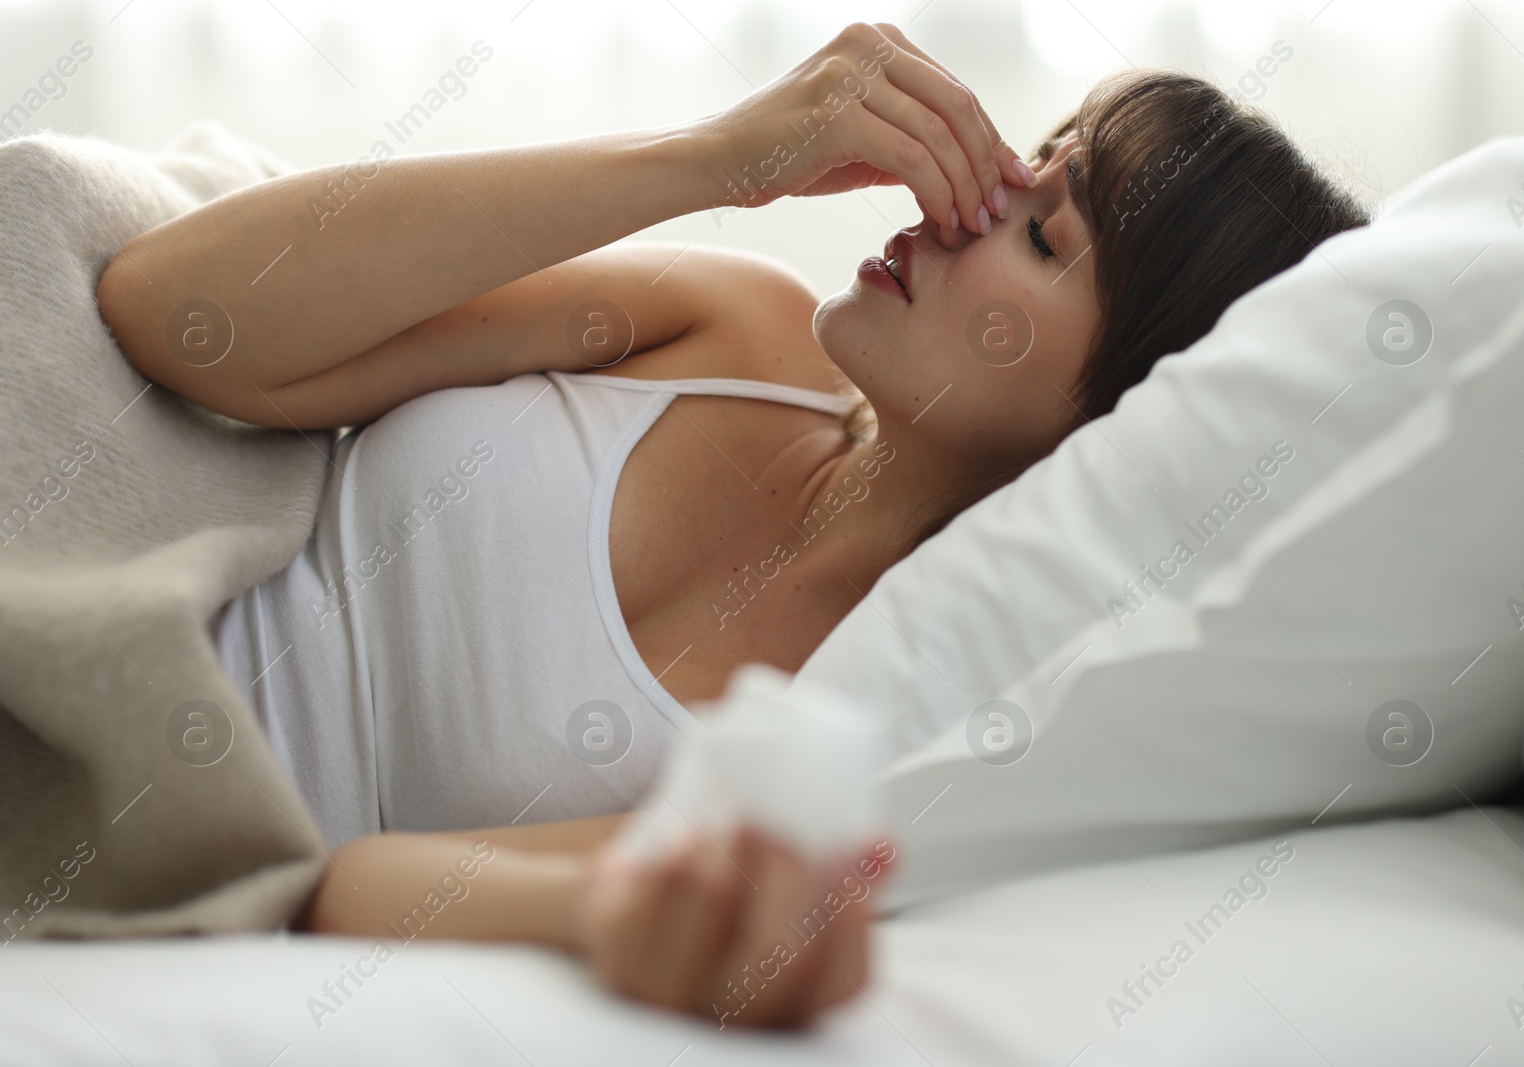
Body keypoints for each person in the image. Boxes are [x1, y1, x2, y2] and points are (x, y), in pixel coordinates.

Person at [96, 23, 1368, 1028]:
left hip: (114, 781)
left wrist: (628, 920)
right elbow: (174, 312)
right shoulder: (743, 337)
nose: (971, 198)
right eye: (1029, 158)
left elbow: (353, 892)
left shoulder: (882, 724)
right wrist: (713, 159)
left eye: (1044, 233)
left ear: (1128, 427)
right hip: (103, 517)